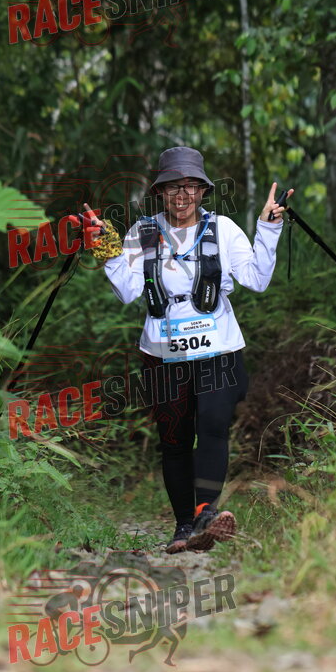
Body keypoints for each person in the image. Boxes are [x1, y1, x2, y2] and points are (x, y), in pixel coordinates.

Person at [83, 147, 293, 553]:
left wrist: (268, 228)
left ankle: (206, 513)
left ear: (202, 190)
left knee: (213, 425)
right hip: (163, 352)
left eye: (191, 187)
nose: (183, 195)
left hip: (219, 348)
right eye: (173, 187)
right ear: (160, 192)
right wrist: (107, 249)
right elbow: (127, 291)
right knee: (174, 438)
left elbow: (256, 279)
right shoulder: (143, 232)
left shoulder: (223, 229)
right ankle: (184, 527)